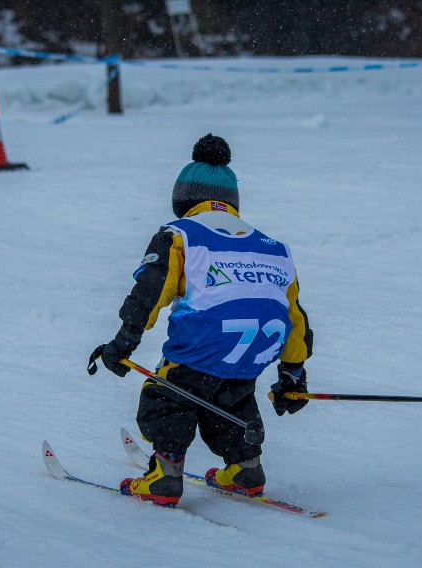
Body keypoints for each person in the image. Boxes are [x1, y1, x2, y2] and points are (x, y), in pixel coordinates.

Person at [90, 133, 314, 507]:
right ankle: (246, 467)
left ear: (183, 199)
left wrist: (122, 344)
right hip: (256, 351)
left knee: (170, 392)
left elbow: (149, 293)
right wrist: (293, 375)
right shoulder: (273, 246)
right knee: (231, 397)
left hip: (204, 346)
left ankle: (166, 473)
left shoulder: (179, 235)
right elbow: (294, 316)